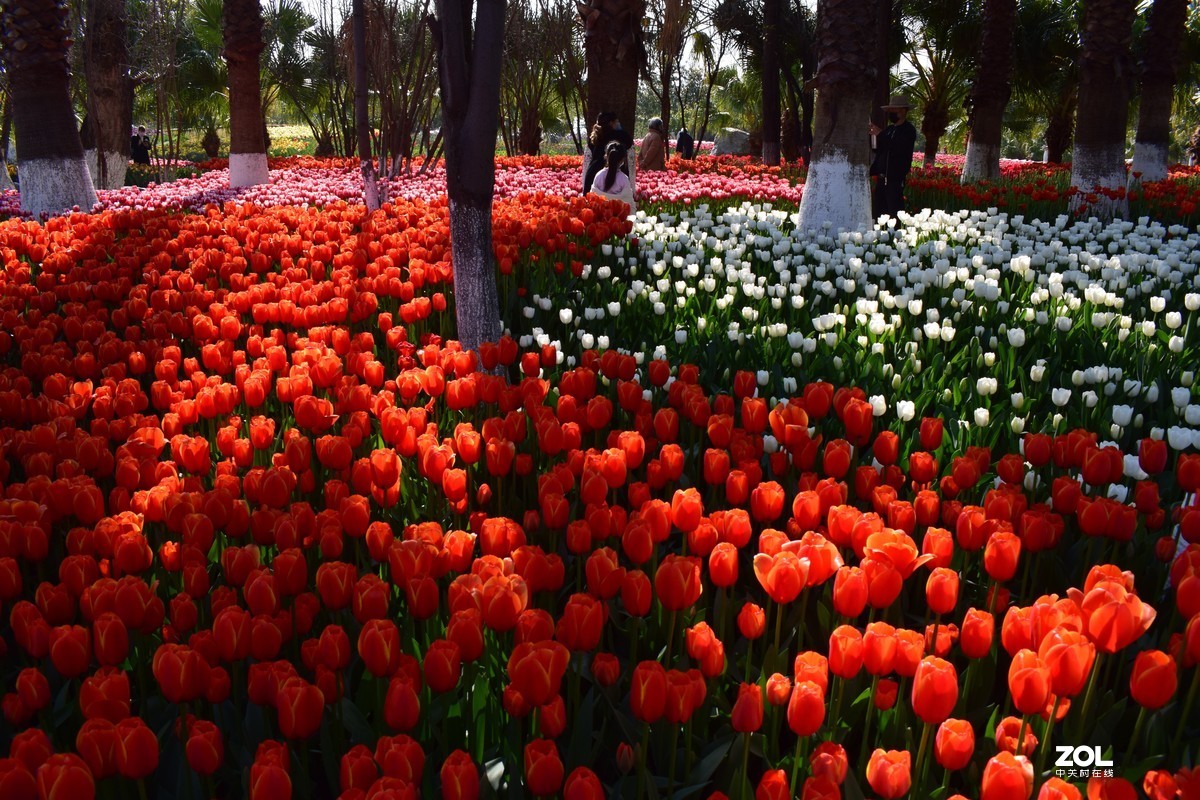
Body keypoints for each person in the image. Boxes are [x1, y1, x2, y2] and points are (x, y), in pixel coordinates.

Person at [868, 94, 917, 219]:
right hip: (881, 179)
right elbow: (879, 149)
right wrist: (874, 136)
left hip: (895, 180)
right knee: (879, 213)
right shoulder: (889, 129)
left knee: (894, 213)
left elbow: (898, 148)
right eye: (890, 110)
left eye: (894, 110)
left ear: (903, 111)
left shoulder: (908, 130)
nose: (892, 113)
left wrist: (881, 134)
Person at [583, 111, 633, 195]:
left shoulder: (594, 137)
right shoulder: (621, 135)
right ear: (611, 123)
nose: (618, 124)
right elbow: (629, 144)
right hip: (615, 173)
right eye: (617, 122)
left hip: (593, 173)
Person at [589, 140, 636, 212]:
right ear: (623, 160)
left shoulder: (599, 176)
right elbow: (630, 206)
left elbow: (592, 200)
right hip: (619, 220)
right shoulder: (624, 179)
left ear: (606, 156)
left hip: (600, 218)